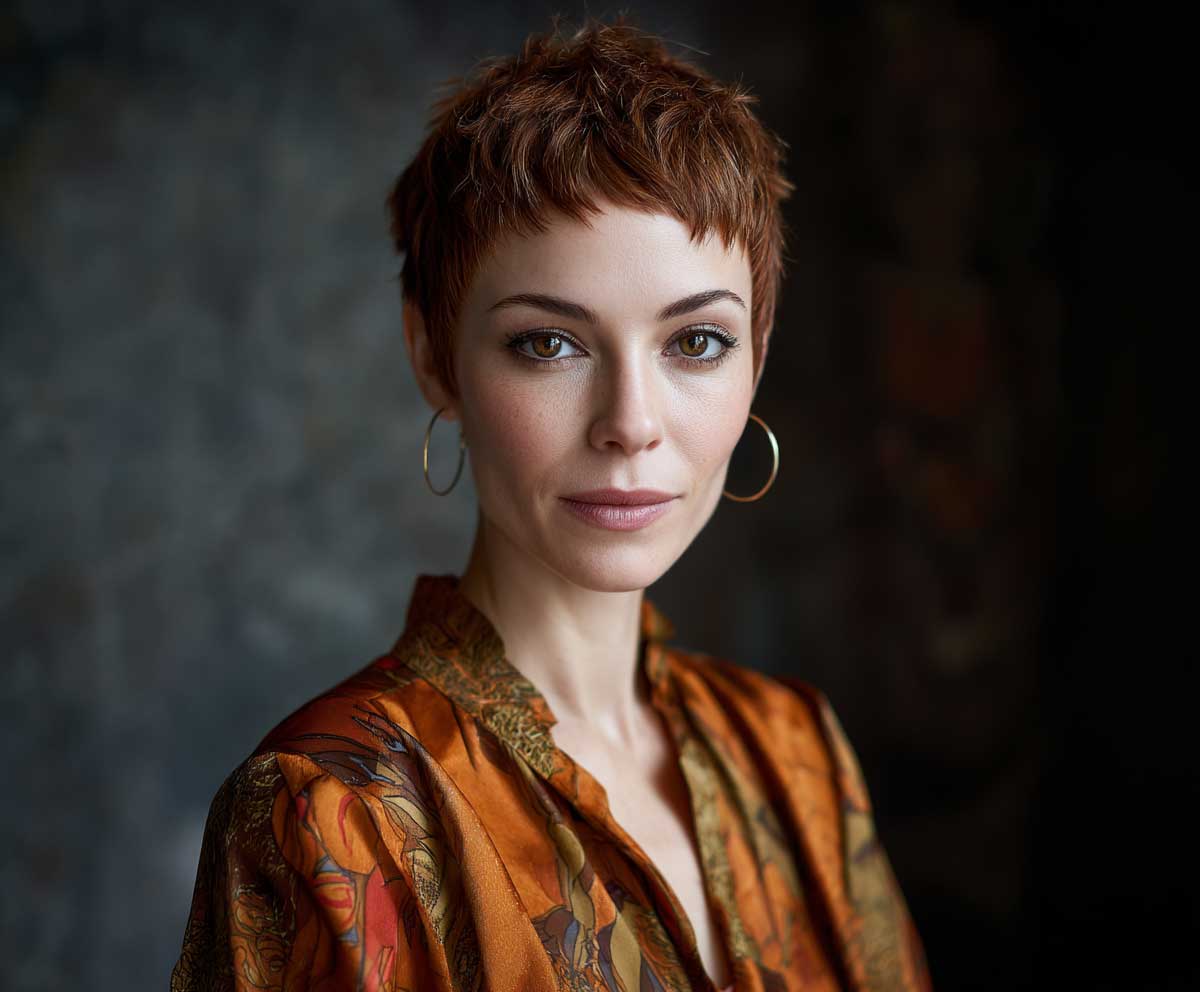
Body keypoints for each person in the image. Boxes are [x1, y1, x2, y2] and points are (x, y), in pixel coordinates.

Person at [170, 17, 931, 992]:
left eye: (696, 342)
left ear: (760, 355)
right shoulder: (326, 814)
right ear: (433, 356)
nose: (631, 424)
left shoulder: (796, 754)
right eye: (549, 343)